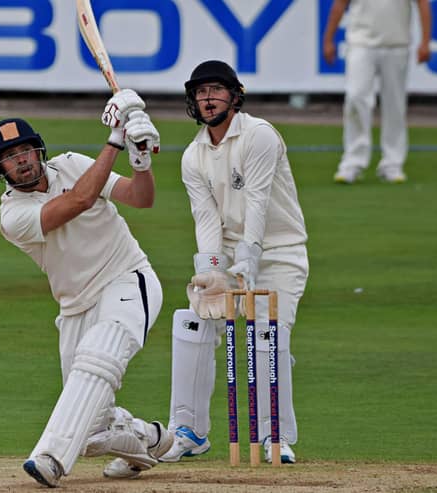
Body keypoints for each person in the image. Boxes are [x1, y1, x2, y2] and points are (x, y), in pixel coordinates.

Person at [0, 90, 173, 487]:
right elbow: (79, 201)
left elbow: (142, 198)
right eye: (10, 157)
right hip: (74, 307)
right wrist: (116, 138)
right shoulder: (12, 216)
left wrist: (141, 162)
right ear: (0, 169)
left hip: (127, 278)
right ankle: (149, 439)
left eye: (25, 150)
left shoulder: (71, 164)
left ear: (39, 150)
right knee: (90, 432)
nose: (21, 160)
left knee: (99, 352)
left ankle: (50, 457)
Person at [158, 60, 309, 465]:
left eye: (215, 90)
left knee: (265, 328)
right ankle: (188, 429)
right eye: (200, 92)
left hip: (279, 251)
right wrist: (210, 269)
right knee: (193, 319)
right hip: (226, 252)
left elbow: (257, 199)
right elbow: (206, 218)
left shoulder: (258, 135)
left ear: (234, 95)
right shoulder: (193, 156)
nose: (208, 99)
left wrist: (250, 258)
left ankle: (272, 435)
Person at [323, 0, 432, 184]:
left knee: (395, 105)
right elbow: (340, 4)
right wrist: (328, 39)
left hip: (397, 43)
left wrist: (425, 42)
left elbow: (422, 4)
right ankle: (353, 162)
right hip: (360, 42)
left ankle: (392, 164)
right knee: (356, 96)